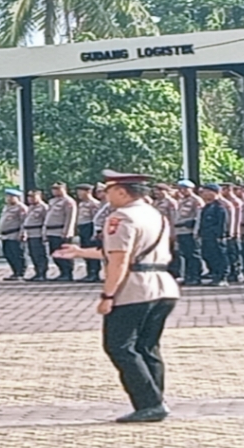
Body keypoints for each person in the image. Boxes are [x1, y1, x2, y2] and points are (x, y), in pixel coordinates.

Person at [53, 170, 179, 423]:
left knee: (119, 346)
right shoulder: (155, 215)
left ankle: (149, 403)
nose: (105, 195)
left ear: (122, 191)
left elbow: (119, 260)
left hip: (134, 288)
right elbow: (130, 252)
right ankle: (155, 399)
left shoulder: (121, 217)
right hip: (163, 286)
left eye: (109, 190)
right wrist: (82, 252)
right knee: (147, 347)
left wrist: (107, 295)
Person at [44, 182, 77, 281]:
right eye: (54, 189)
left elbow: (70, 217)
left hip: (61, 231)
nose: (55, 191)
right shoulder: (52, 201)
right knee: (54, 253)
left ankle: (67, 273)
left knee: (64, 253)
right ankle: (62, 272)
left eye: (58, 188)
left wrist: (67, 231)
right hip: (51, 231)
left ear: (64, 189)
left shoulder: (68, 201)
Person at [198, 185, 229, 287]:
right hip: (206, 236)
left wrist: (220, 235)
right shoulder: (207, 207)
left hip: (216, 236)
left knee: (219, 256)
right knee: (207, 255)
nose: (204, 194)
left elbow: (222, 223)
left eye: (207, 191)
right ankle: (214, 274)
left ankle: (222, 277)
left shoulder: (219, 206)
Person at [173, 180, 203, 286]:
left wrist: (196, 231)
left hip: (190, 232)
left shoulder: (196, 200)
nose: (182, 191)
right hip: (180, 231)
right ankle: (188, 276)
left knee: (193, 255)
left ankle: (195, 277)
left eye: (185, 188)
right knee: (185, 255)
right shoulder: (181, 201)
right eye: (181, 188)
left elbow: (198, 217)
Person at [0, 188, 27, 281]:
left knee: (17, 254)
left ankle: (20, 272)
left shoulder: (21, 208)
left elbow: (24, 222)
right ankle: (14, 272)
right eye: (7, 196)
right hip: (5, 235)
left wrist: (23, 233)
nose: (8, 198)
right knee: (8, 254)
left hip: (15, 234)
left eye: (11, 197)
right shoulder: (6, 207)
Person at [74, 184, 101, 282]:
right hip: (83, 228)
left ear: (88, 191)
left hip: (89, 227)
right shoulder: (81, 204)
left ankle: (94, 273)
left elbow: (96, 220)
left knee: (91, 250)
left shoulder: (94, 204)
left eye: (81, 191)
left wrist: (95, 233)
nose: (79, 194)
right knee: (84, 250)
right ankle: (89, 272)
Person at [22, 190, 48, 281]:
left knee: (39, 254)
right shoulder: (30, 208)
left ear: (39, 196)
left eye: (33, 196)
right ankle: (37, 272)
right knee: (32, 254)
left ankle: (42, 273)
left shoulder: (43, 207)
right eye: (29, 196)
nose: (30, 198)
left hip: (38, 233)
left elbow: (46, 222)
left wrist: (44, 234)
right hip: (30, 233)